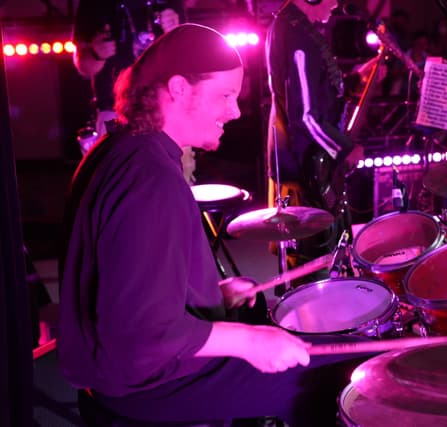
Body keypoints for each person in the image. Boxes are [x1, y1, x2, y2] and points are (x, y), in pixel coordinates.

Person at [58, 23, 373, 426]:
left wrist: (207, 293)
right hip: (151, 387)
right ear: (178, 88)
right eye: (224, 95)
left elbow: (123, 285)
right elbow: (140, 334)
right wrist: (247, 340)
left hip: (129, 376)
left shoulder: (119, 149)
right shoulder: (149, 178)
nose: (235, 111)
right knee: (358, 372)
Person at [265, 0, 365, 276]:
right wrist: (344, 149)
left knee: (316, 259)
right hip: (307, 165)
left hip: (302, 159)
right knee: (318, 263)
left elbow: (312, 90)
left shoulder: (289, 25)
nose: (336, 3)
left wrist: (354, 79)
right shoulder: (298, 36)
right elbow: (306, 116)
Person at [71, 0, 196, 184]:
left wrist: (177, 33)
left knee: (174, 186)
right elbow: (82, 64)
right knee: (119, 186)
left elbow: (191, 57)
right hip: (116, 114)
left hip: (167, 111)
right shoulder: (94, 5)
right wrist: (96, 54)